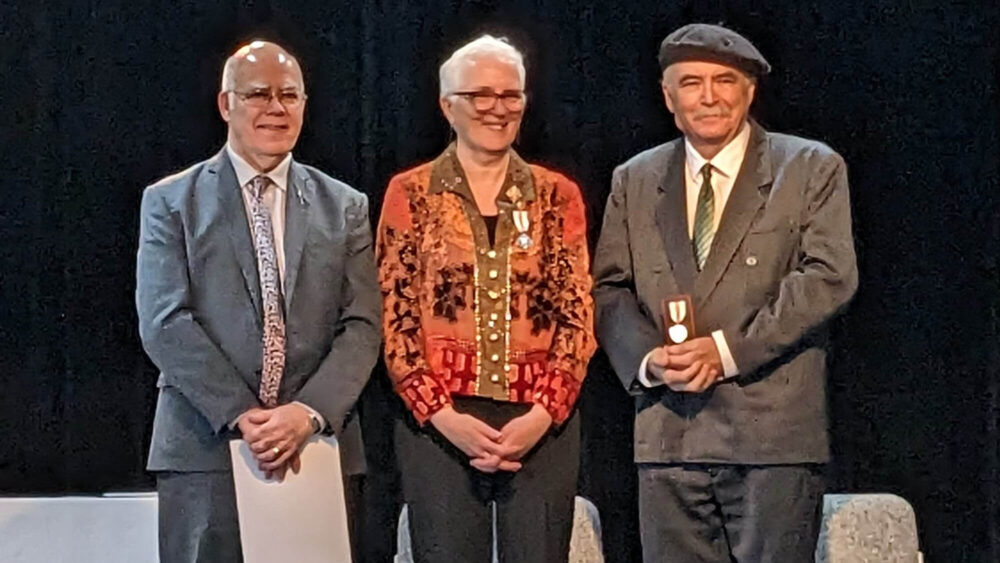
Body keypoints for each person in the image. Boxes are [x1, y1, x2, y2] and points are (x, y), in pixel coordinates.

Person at [593, 23, 858, 562]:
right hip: (669, 436)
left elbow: (828, 277)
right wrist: (649, 359)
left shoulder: (808, 168)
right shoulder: (635, 178)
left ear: (749, 91)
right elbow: (611, 289)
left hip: (771, 437)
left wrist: (725, 351)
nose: (709, 96)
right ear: (668, 97)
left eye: (725, 80)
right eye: (691, 82)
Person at [136, 40, 380, 562]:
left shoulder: (346, 206)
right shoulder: (171, 202)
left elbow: (362, 325)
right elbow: (164, 321)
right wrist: (245, 414)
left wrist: (306, 413)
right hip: (204, 447)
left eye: (289, 95)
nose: (276, 108)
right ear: (227, 105)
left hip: (317, 448)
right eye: (258, 94)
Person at [376, 35, 595, 563]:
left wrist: (543, 414)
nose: (497, 108)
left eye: (510, 95)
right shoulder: (410, 193)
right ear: (447, 105)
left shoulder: (556, 194)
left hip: (540, 423)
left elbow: (577, 315)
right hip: (441, 424)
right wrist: (443, 416)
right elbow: (396, 318)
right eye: (480, 95)